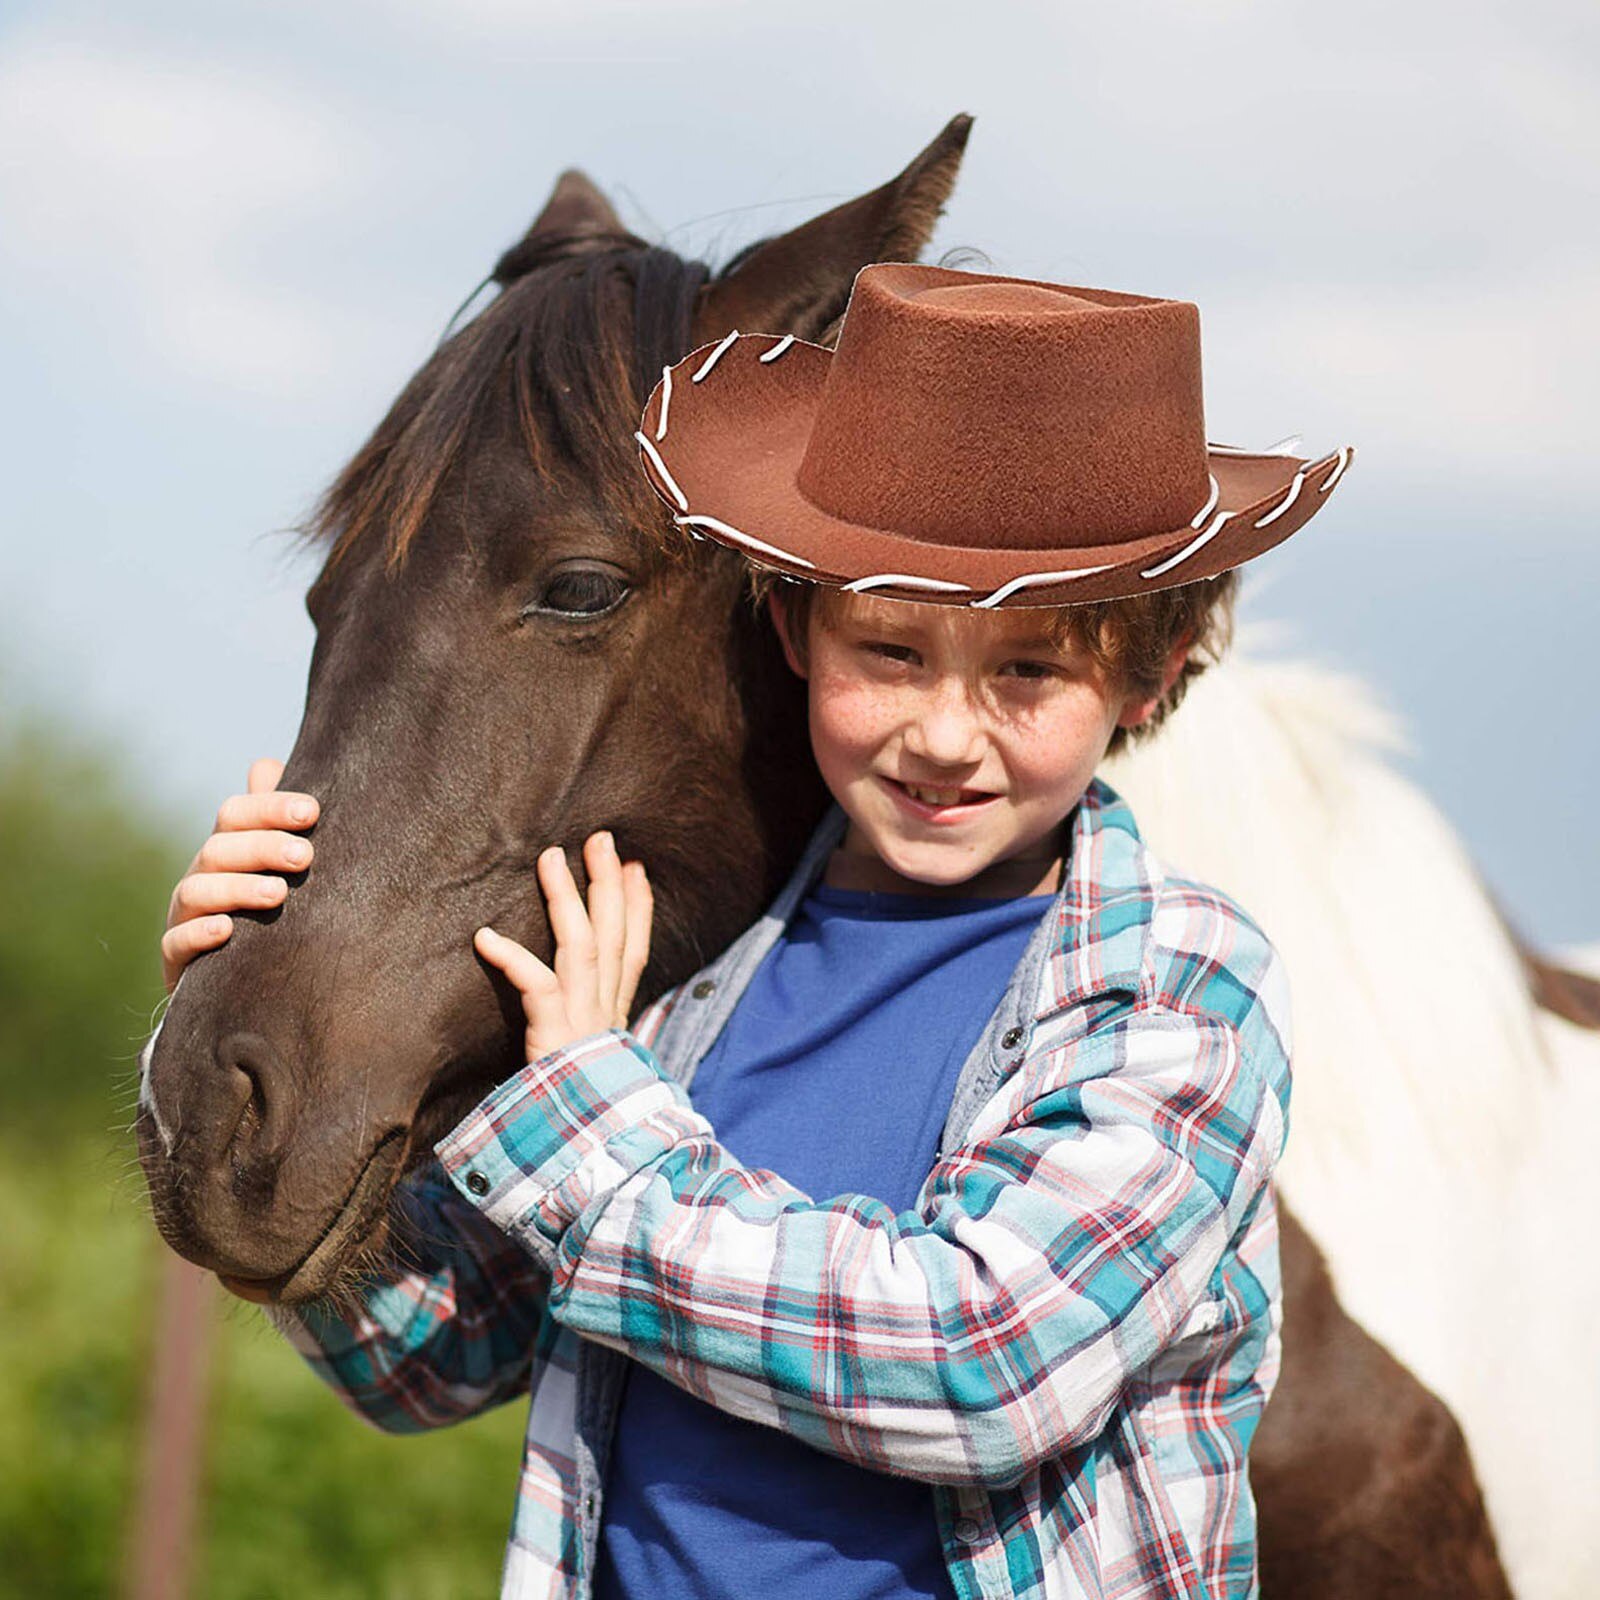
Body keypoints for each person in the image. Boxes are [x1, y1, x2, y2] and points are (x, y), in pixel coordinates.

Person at [160, 262, 1353, 1599]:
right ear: (791, 624)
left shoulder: (1175, 986)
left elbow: (984, 1365)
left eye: (1027, 671)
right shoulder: (681, 981)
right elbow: (429, 1356)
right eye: (891, 652)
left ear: (1149, 674)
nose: (945, 736)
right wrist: (242, 1027)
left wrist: (595, 1138)